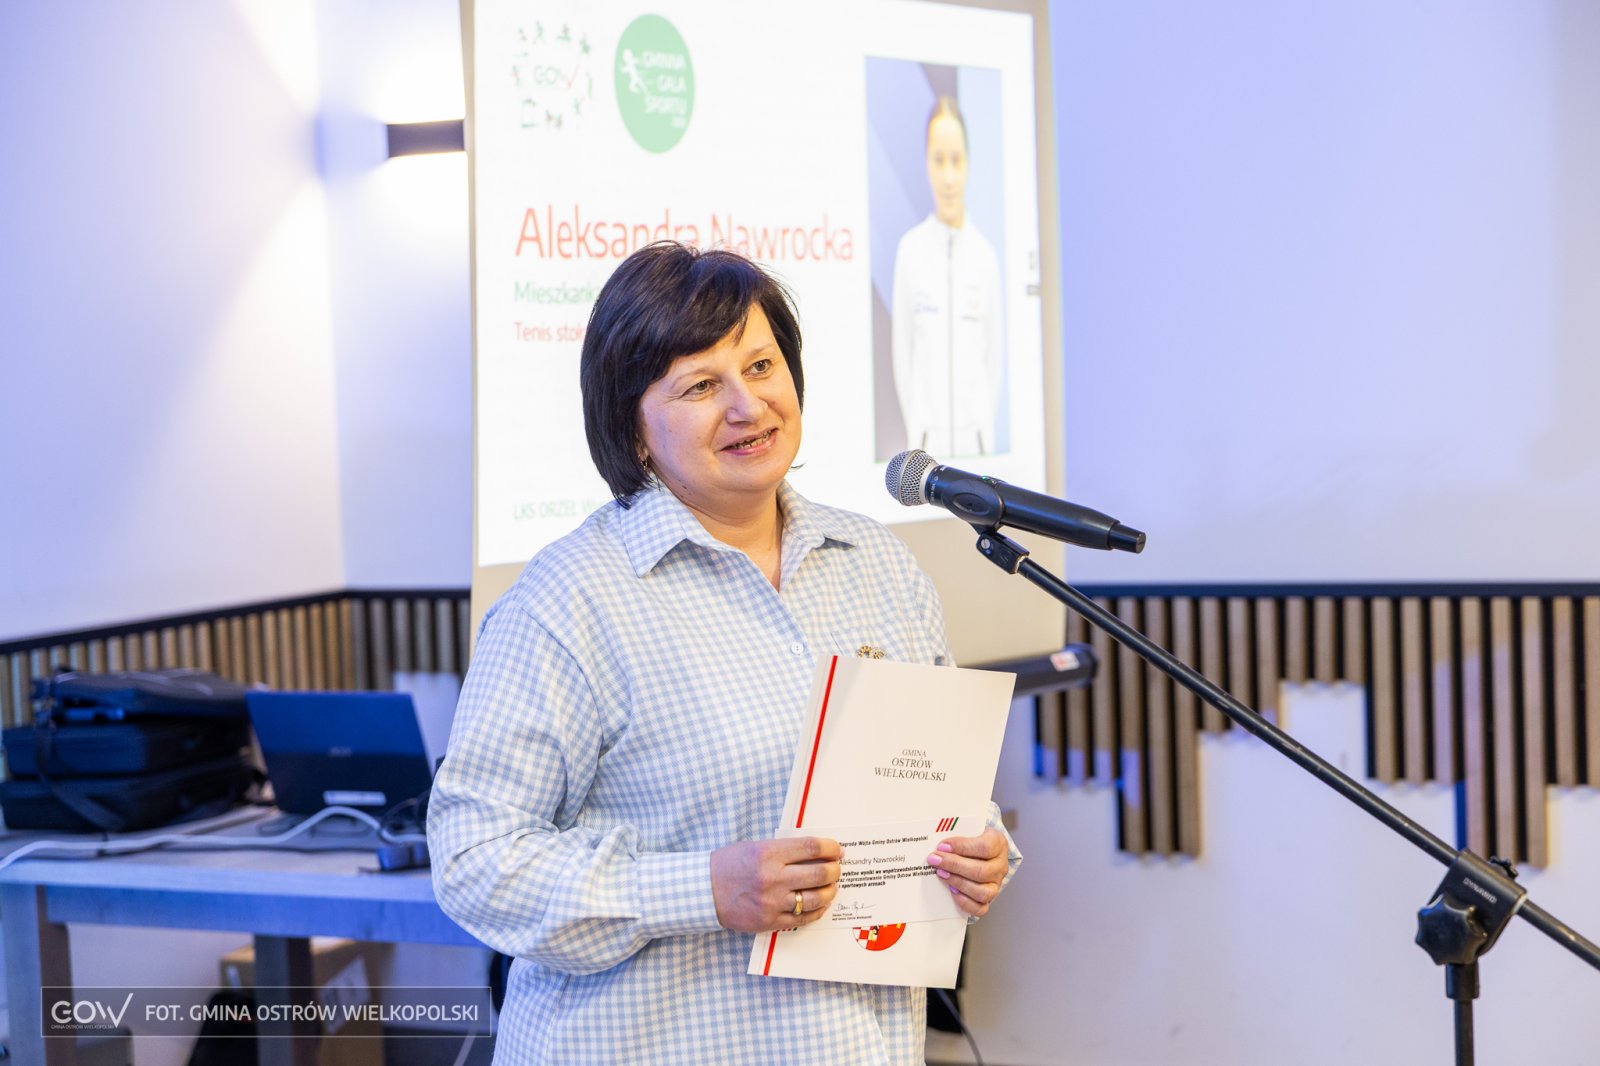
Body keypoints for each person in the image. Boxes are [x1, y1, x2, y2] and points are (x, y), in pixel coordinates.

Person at [429, 242, 1020, 1064]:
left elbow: (936, 791)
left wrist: (979, 847)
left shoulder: (878, 564)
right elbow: (473, 860)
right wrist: (702, 888)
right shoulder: (569, 601)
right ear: (633, 429)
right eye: (701, 386)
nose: (749, 405)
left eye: (762, 366)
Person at [891, 95, 1005, 457]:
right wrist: (921, 430)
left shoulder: (985, 256)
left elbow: (993, 359)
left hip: (977, 449)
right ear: (926, 163)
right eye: (939, 160)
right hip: (927, 449)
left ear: (968, 162)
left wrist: (981, 429)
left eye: (956, 160)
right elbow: (903, 353)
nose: (949, 177)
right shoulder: (911, 251)